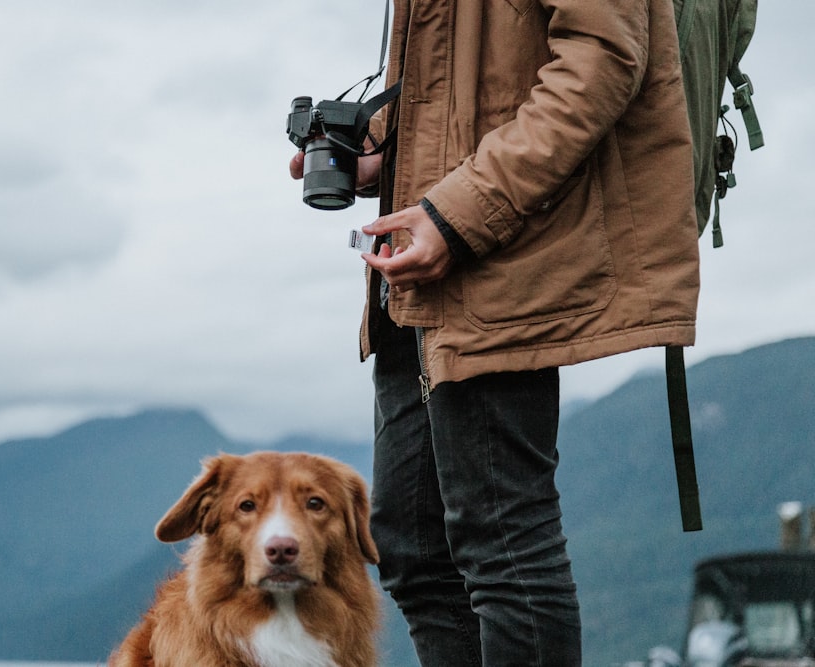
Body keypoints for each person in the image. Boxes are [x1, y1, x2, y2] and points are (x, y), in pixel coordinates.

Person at [290, 2, 700, 664]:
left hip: (503, 245)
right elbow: (463, 79)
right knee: (415, 547)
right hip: (426, 254)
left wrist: (461, 213)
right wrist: (383, 154)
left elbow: (604, 59)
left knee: (503, 541)